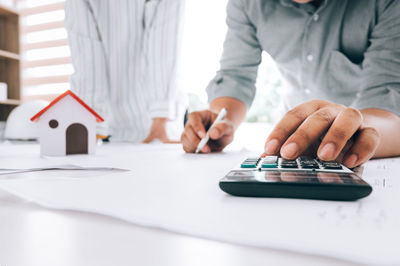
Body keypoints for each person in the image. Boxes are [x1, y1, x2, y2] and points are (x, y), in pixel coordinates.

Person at [181, 0, 400, 168]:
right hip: (291, 145)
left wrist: (355, 130)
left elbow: (389, 101)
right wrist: (221, 119)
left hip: (368, 137)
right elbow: (235, 77)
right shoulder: (247, 4)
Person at [65, 0, 186, 143]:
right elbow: (88, 63)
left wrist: (160, 121)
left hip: (162, 129)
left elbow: (163, 53)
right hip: (112, 130)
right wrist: (89, 130)